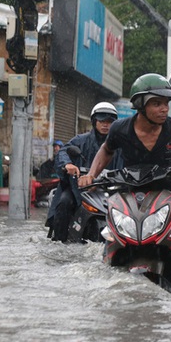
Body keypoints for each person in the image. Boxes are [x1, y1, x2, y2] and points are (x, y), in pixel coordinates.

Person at [78, 73, 171, 294]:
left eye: (166, 103)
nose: (164, 109)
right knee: (106, 259)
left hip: (168, 201)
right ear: (140, 105)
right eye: (157, 103)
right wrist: (91, 174)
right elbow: (106, 150)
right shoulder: (120, 129)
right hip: (128, 202)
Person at [46, 102, 123, 242]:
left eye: (109, 121)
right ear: (94, 122)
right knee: (64, 202)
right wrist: (67, 164)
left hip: (111, 190)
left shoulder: (120, 144)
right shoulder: (80, 140)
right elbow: (64, 151)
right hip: (79, 188)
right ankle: (59, 241)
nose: (105, 125)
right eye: (101, 121)